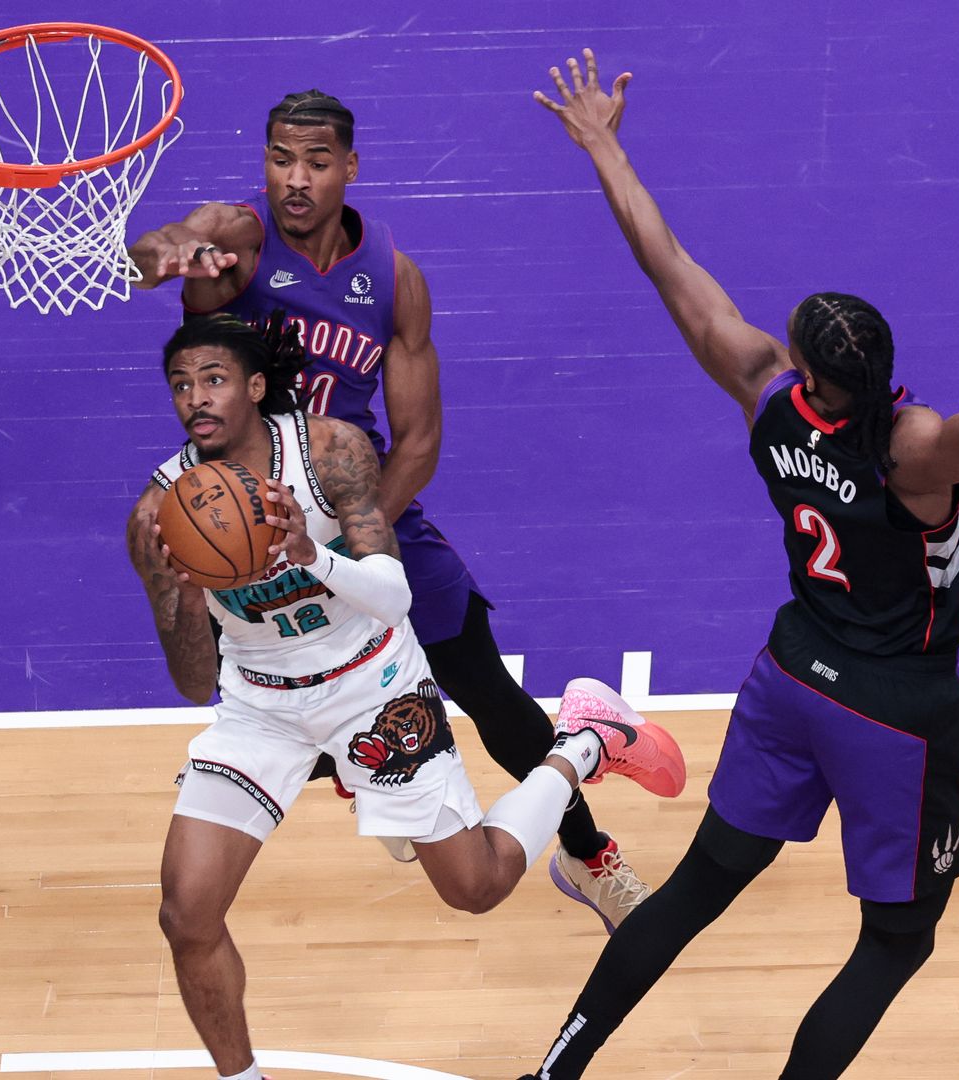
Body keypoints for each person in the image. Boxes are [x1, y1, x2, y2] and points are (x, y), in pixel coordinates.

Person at [518, 51, 959, 1079]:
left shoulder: (762, 394)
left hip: (791, 677)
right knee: (895, 942)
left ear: (808, 373)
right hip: (896, 709)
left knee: (695, 893)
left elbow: (671, 269)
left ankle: (554, 1067)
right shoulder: (911, 450)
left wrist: (605, 147)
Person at [127, 90, 654, 932]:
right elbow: (155, 249)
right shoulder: (237, 236)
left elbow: (418, 443)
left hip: (364, 506)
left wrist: (344, 541)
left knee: (486, 689)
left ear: (350, 168)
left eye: (316, 162)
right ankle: (368, 772)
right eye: (279, 160)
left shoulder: (395, 282)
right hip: (245, 521)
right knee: (272, 696)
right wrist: (166, 254)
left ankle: (590, 857)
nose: (294, 180)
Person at [125, 311, 689, 1080]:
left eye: (215, 379)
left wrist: (308, 554)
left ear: (256, 388)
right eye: (182, 385)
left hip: (374, 684)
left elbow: (392, 596)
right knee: (186, 914)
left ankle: (582, 740)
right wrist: (190, 597)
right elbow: (192, 682)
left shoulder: (330, 453)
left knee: (476, 887)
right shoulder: (159, 517)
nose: (197, 397)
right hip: (260, 707)